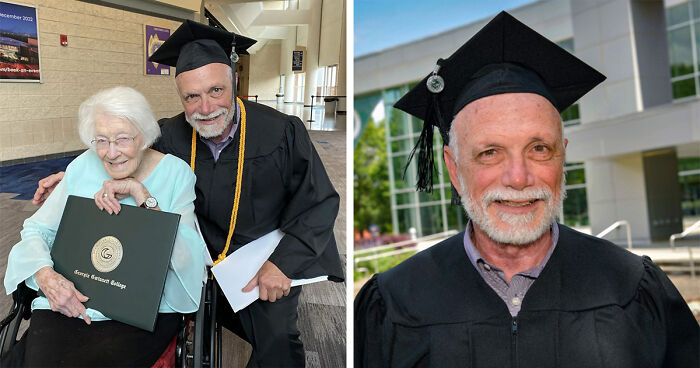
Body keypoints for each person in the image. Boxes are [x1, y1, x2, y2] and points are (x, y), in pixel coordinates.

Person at [354, 11, 699, 368]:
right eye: (490, 153)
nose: (518, 178)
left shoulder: (632, 287)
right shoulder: (395, 301)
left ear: (562, 156)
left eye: (539, 149)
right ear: (454, 170)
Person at [33, 20, 344, 367]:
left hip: (259, 259)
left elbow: (318, 203)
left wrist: (283, 265)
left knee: (278, 343)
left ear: (234, 81)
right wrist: (72, 176)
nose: (206, 108)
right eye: (191, 97)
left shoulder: (281, 132)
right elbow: (122, 152)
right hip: (188, 257)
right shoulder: (170, 133)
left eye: (216, 91)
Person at [4, 86, 208, 367]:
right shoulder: (82, 166)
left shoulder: (176, 174)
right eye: (101, 140)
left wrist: (141, 195)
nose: (111, 153)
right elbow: (37, 230)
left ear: (145, 137)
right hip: (71, 302)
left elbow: (186, 258)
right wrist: (45, 277)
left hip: (141, 311)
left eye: (122, 139)